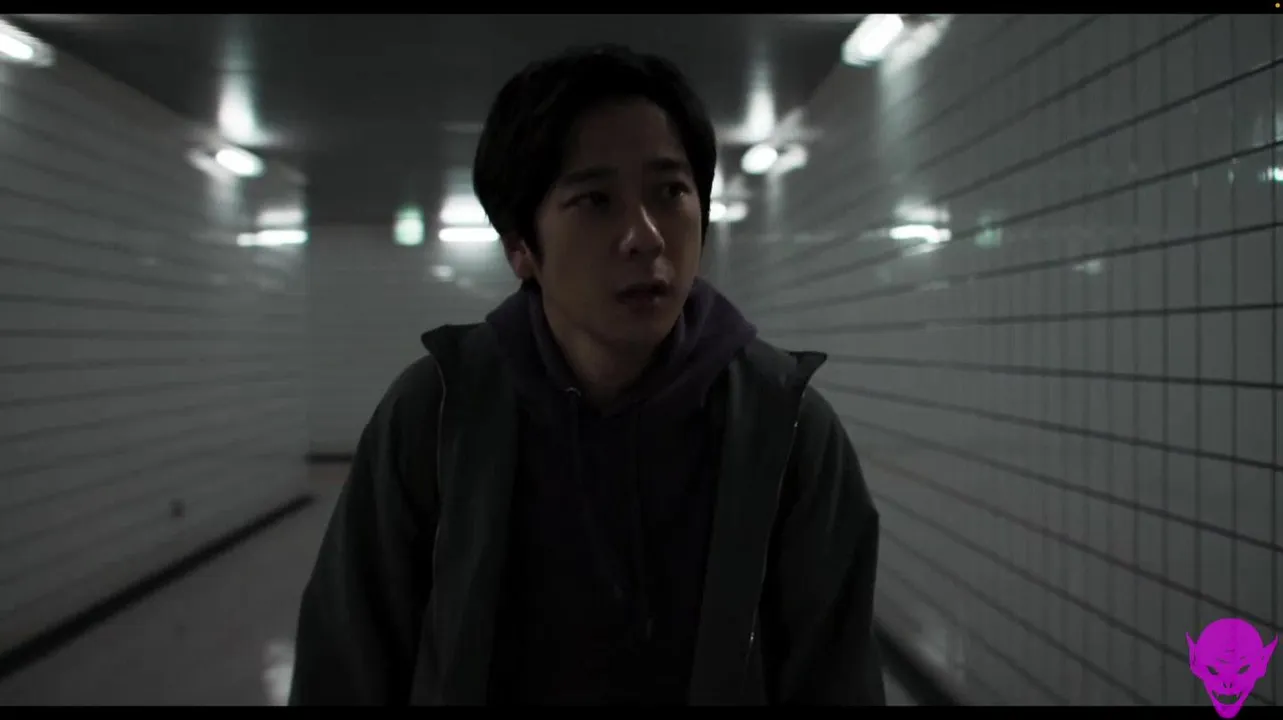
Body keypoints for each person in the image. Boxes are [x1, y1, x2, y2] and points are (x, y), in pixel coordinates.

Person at [289, 44, 885, 706]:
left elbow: (837, 678)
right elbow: (345, 666)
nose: (644, 236)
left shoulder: (784, 427)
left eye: (670, 192)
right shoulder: (436, 414)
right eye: (596, 201)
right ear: (520, 247)